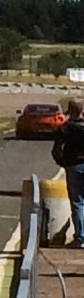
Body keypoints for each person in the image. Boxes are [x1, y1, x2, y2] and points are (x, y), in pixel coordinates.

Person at [52, 99, 84, 248]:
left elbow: (56, 150)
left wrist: (62, 163)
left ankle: (81, 237)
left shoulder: (65, 128)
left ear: (69, 111)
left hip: (74, 166)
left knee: (77, 202)